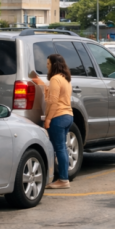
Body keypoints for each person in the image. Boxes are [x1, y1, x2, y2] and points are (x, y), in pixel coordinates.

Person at [31, 53, 74, 189]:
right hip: (68, 116)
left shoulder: (55, 79)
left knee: (59, 148)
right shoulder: (65, 78)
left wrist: (48, 119)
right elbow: (54, 95)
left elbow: (53, 102)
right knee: (63, 148)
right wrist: (43, 85)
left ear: (54, 65)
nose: (47, 67)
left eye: (48, 64)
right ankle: (64, 177)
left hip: (58, 117)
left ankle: (63, 180)